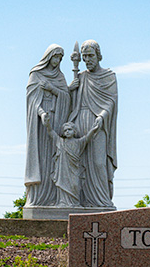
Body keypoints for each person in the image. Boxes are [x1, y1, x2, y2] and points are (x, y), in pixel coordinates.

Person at [67, 40, 117, 208]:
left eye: (91, 56)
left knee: (98, 162)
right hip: (80, 119)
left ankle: (102, 201)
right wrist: (70, 88)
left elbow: (111, 101)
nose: (88, 60)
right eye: (85, 57)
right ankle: (82, 199)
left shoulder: (109, 76)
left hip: (99, 123)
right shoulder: (81, 77)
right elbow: (70, 102)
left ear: (98, 56)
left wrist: (102, 116)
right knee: (80, 163)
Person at [24, 44, 71, 207]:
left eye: (60, 58)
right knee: (42, 158)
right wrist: (41, 112)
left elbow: (66, 97)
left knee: (54, 159)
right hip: (41, 123)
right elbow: (32, 101)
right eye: (55, 57)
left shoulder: (60, 76)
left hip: (56, 121)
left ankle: (55, 196)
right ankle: (38, 198)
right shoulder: (36, 74)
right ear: (48, 56)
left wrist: (52, 88)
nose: (57, 61)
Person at [44, 118, 100, 207]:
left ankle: (75, 203)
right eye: (65, 130)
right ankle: (63, 202)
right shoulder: (60, 141)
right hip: (63, 169)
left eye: (69, 130)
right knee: (62, 185)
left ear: (74, 131)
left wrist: (93, 129)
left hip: (75, 169)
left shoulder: (78, 142)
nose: (67, 132)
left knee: (75, 185)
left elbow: (87, 138)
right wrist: (47, 124)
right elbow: (51, 132)